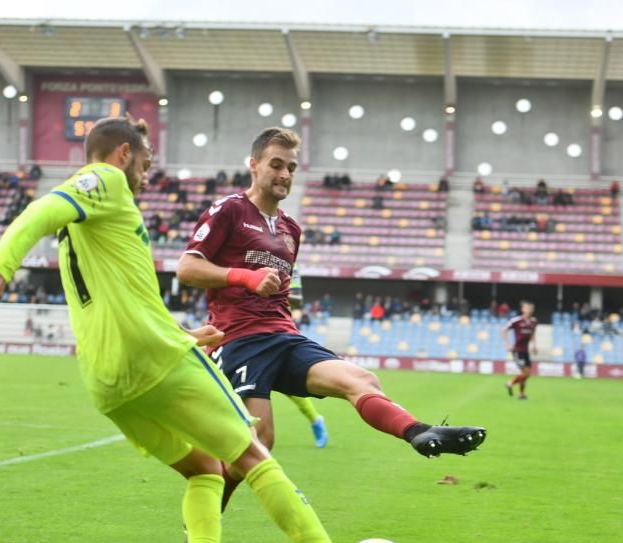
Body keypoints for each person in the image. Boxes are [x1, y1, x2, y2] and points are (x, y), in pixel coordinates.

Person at [0, 115, 402, 543]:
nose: (150, 172)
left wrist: (185, 335)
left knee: (205, 469)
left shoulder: (89, 224)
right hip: (154, 361)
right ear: (124, 154)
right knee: (253, 452)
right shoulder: (105, 182)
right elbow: (39, 210)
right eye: (147, 160)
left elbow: (124, 299)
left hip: (108, 381)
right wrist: (2, 267)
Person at [176, 127, 487, 509]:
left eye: (291, 167)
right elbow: (187, 269)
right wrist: (244, 276)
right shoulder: (229, 209)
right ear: (254, 165)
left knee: (361, 379)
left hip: (284, 337)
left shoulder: (292, 230)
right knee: (259, 443)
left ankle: (419, 431)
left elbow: (281, 293)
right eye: (276, 165)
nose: (284, 175)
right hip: (238, 339)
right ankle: (205, 520)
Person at [287, 264, 328, 448]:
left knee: (292, 389)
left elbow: (296, 299)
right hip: (245, 331)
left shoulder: (289, 263)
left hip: (278, 329)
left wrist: (265, 293)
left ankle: (315, 420)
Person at [503, 301, 538, 400]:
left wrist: (534, 346)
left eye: (530, 308)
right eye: (527, 308)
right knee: (526, 373)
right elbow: (504, 330)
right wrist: (508, 344)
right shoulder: (516, 320)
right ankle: (510, 383)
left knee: (526, 374)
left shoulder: (533, 321)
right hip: (517, 351)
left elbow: (532, 334)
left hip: (526, 351)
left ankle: (521, 394)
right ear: (523, 309)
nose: (529, 310)